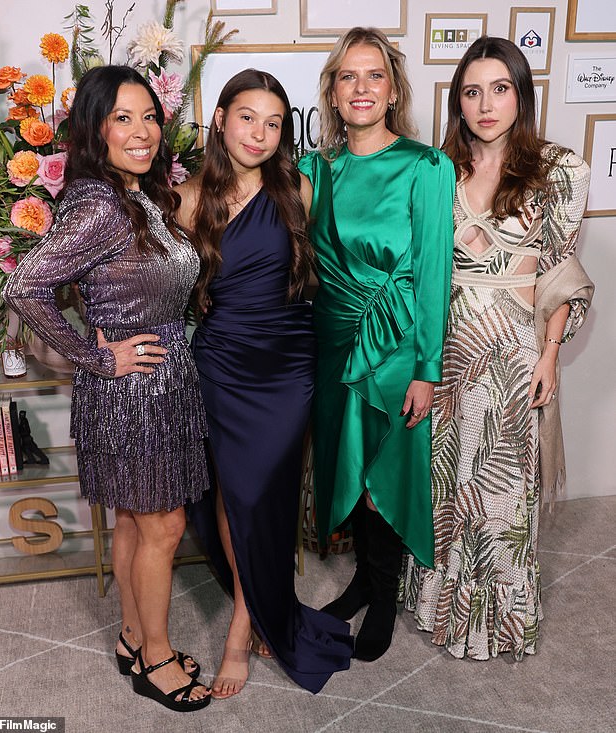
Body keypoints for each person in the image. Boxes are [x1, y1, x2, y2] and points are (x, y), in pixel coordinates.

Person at [3, 65, 211, 711]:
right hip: (134, 393)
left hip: (158, 385)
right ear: (94, 128)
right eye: (124, 117)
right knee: (164, 526)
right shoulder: (98, 205)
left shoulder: (132, 194)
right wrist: (93, 356)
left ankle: (130, 636)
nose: (143, 130)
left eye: (149, 115)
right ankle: (155, 657)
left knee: (134, 522)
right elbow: (24, 286)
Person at [402, 36, 594, 661]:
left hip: (513, 356)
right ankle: (440, 605)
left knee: (501, 491)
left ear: (521, 96)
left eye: (500, 88)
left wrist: (549, 357)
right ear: (458, 102)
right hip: (447, 350)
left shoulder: (558, 171)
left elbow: (561, 273)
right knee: (445, 484)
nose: (486, 104)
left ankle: (498, 620)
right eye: (472, 91)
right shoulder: (438, 171)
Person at [176, 68, 354, 699]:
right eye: (248, 117)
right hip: (221, 365)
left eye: (274, 122)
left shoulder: (298, 188)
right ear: (220, 119)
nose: (260, 133)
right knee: (231, 499)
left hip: (286, 367)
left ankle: (240, 631)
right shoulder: (189, 199)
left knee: (266, 498)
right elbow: (171, 297)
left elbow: (332, 274)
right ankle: (256, 602)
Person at [298, 27, 455, 662]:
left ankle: (383, 596)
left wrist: (427, 368)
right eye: (347, 77)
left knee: (386, 466)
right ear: (332, 94)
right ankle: (363, 578)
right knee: (349, 469)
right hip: (332, 339)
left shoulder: (426, 165)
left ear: (393, 91)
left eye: (374, 76)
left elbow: (435, 271)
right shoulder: (314, 168)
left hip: (395, 347)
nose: (361, 88)